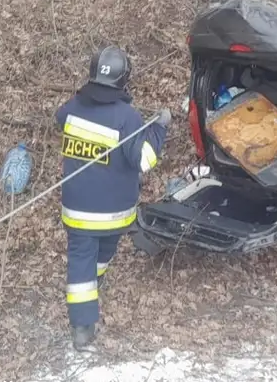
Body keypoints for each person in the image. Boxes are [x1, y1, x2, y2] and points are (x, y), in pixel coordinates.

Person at [54, 45, 170, 351]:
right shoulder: (127, 117)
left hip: (77, 209)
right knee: (100, 254)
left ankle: (82, 325)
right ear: (123, 80)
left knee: (82, 261)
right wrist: (158, 129)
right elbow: (144, 160)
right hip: (113, 214)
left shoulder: (74, 106)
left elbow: (60, 118)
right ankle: (87, 306)